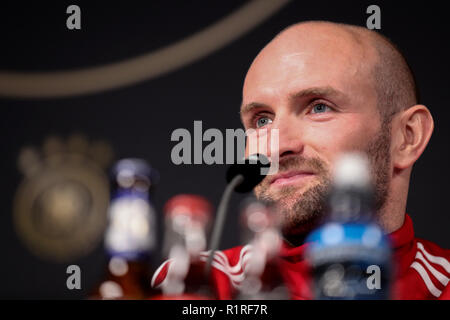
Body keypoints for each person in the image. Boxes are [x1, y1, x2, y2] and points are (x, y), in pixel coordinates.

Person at [153, 21, 450, 300]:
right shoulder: (197, 284)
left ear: (407, 137)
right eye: (262, 120)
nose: (277, 146)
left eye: (319, 107)